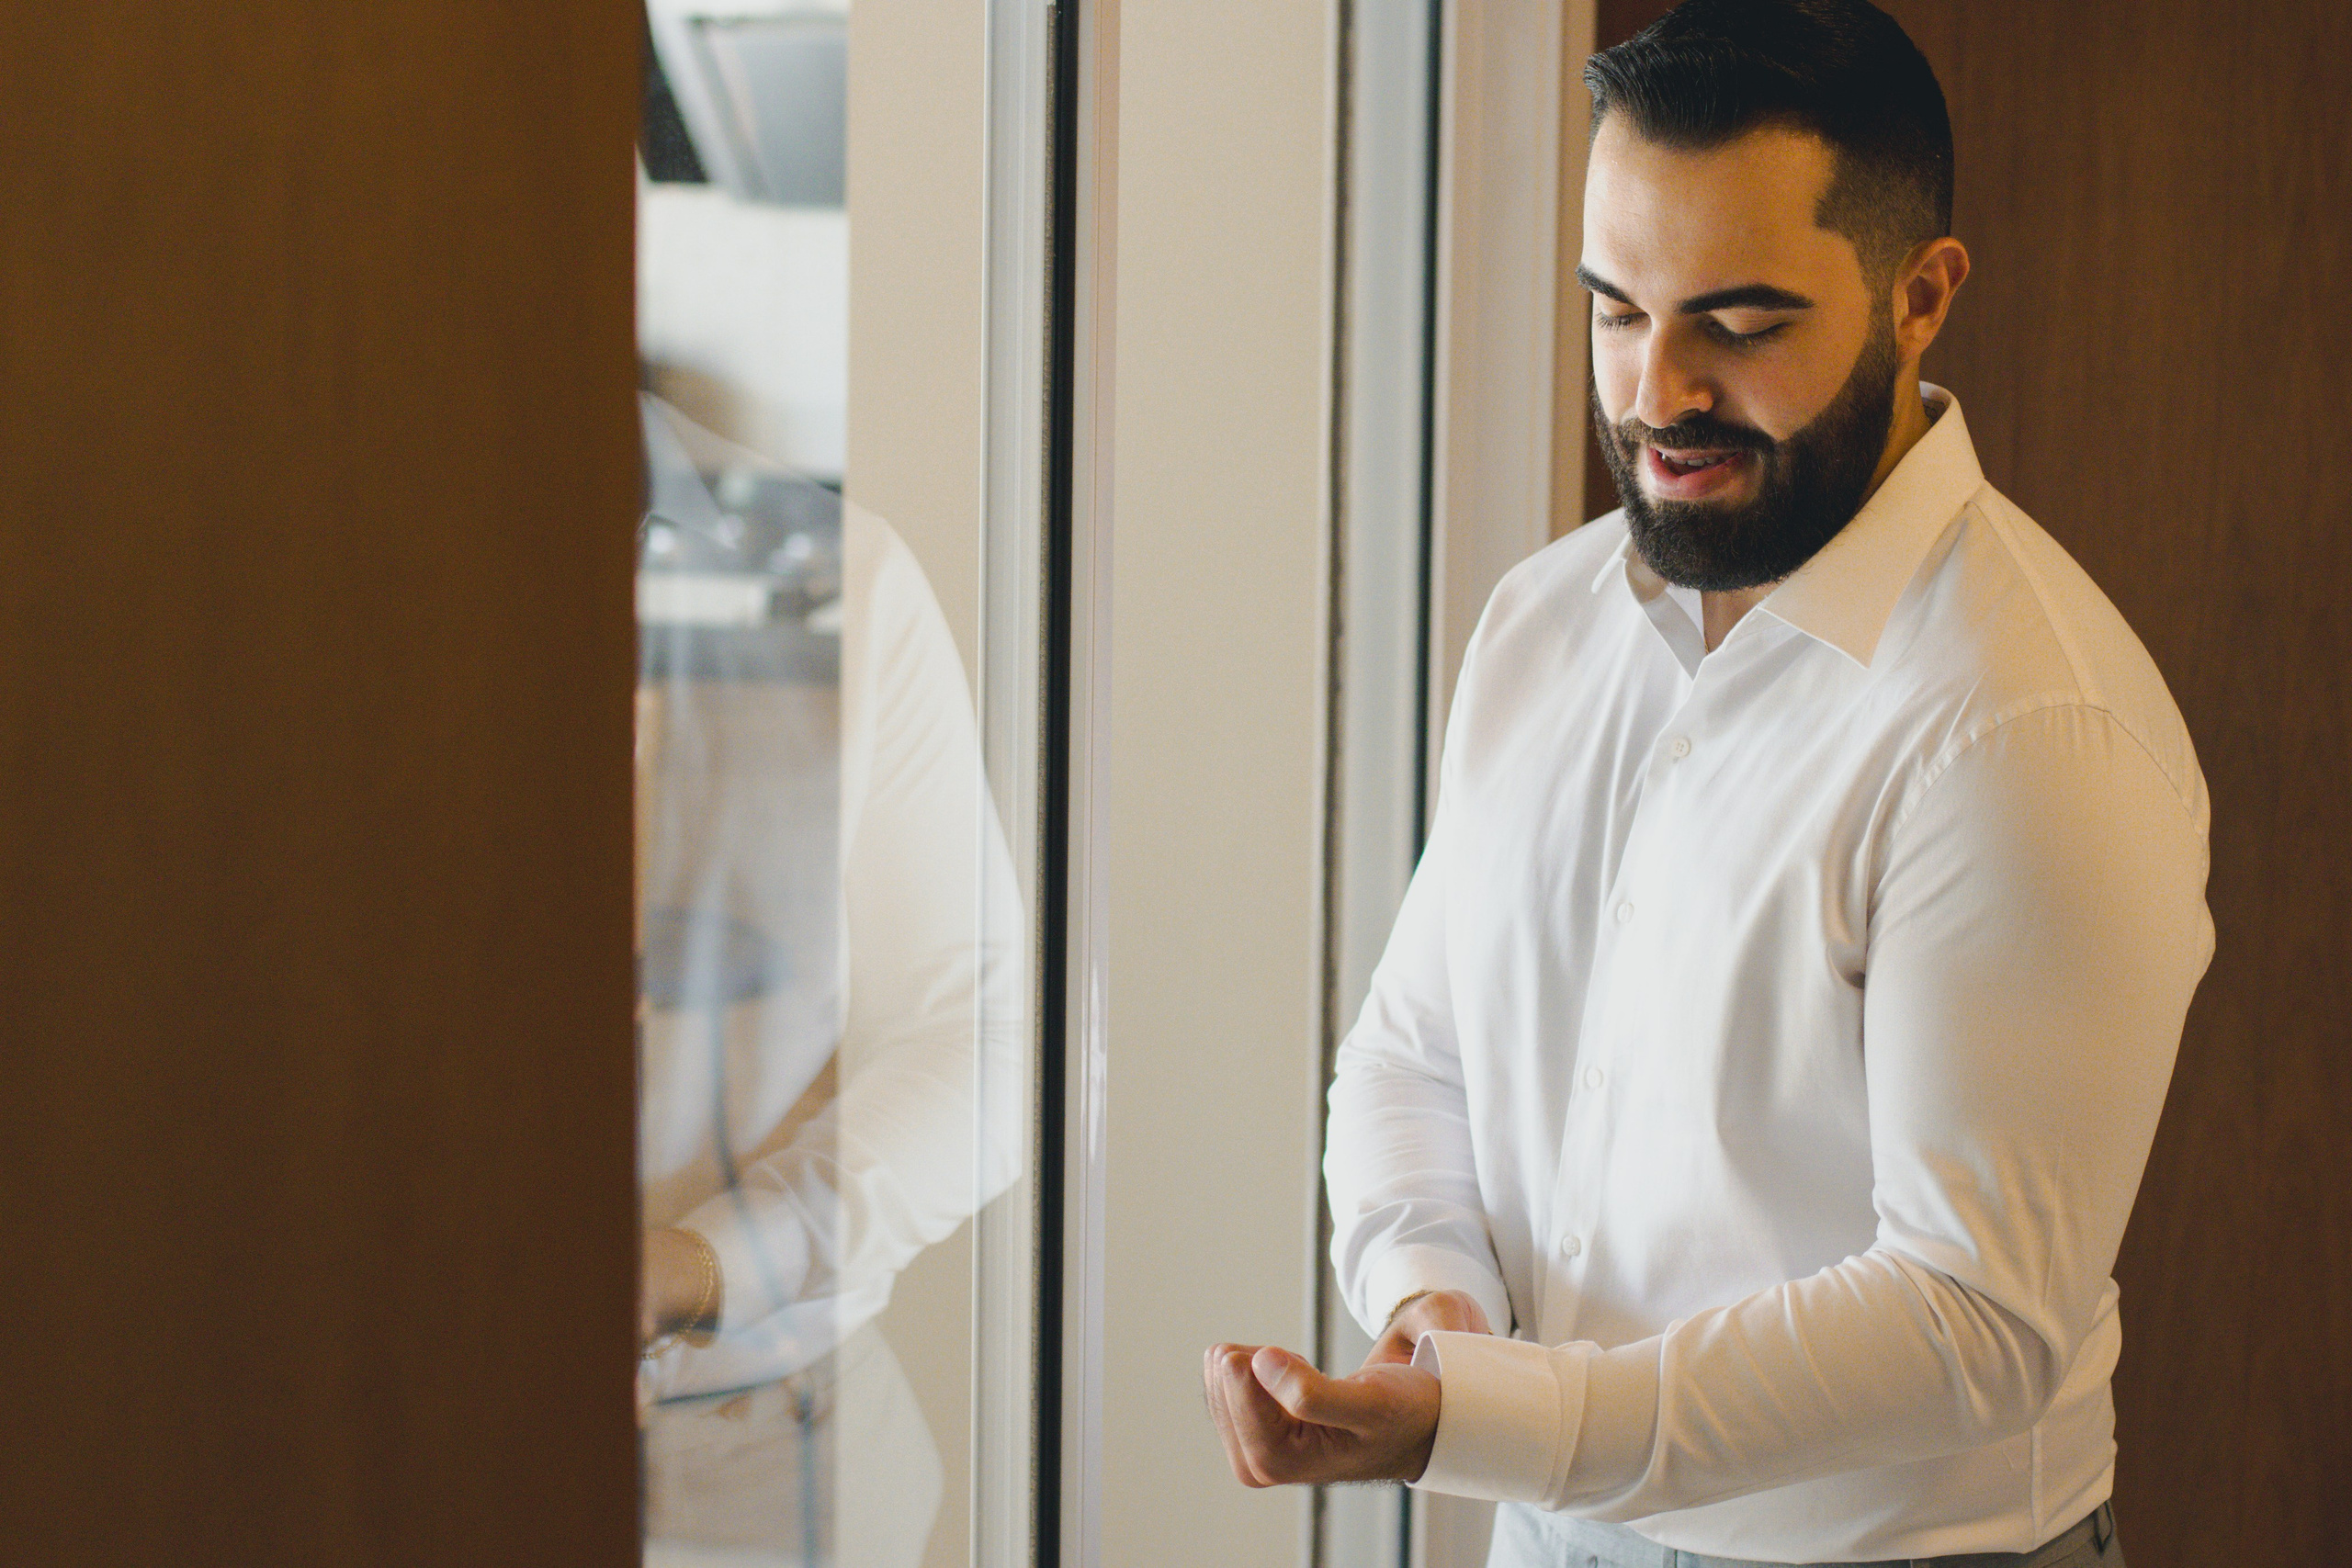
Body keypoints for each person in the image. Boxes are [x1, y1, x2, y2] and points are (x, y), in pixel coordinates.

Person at [1202, 3, 2208, 1564]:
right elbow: (1416, 1053)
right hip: (1544, 1532)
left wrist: (1498, 1420)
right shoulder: (1543, 620)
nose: (1657, 391)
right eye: (1615, 311)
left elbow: (1971, 1320)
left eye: (1737, 326)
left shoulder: (2028, 727)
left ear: (1921, 296)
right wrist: (1437, 1320)